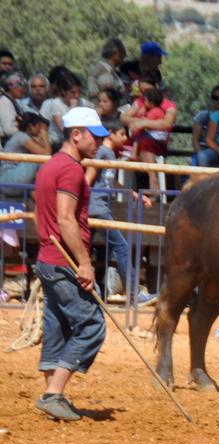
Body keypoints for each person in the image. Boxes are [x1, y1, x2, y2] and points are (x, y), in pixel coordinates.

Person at [31, 107, 110, 421]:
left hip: (48, 257)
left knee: (58, 325)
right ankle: (53, 394)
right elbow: (65, 219)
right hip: (63, 261)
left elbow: (41, 211)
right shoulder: (71, 170)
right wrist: (84, 263)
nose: (99, 143)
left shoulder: (51, 165)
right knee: (92, 325)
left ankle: (53, 394)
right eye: (95, 136)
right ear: (76, 134)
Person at [88, 125, 154, 305]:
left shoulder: (108, 153)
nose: (125, 138)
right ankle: (133, 293)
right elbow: (88, 177)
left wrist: (132, 194)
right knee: (121, 247)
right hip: (97, 208)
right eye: (122, 134)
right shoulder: (102, 152)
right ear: (111, 133)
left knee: (86, 249)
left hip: (98, 208)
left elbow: (110, 181)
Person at [121, 77, 177, 172]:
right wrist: (138, 121)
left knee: (145, 144)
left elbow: (167, 123)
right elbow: (124, 118)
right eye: (142, 91)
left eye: (147, 90)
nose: (144, 93)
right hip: (137, 138)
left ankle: (152, 176)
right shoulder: (140, 102)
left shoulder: (169, 105)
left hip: (156, 141)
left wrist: (144, 123)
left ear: (156, 87)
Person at [0, 111, 52, 195]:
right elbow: (46, 154)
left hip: (13, 179)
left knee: (39, 164)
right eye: (39, 126)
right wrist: (45, 136)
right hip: (8, 179)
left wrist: (42, 140)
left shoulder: (27, 137)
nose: (40, 129)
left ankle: (39, 197)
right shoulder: (22, 136)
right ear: (31, 126)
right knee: (37, 160)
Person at [40, 68, 84, 149]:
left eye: (79, 92)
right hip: (58, 143)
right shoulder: (56, 104)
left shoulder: (82, 102)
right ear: (64, 91)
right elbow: (64, 129)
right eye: (73, 92)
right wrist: (72, 109)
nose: (77, 96)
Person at [191, 86, 219, 164]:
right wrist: (200, 154)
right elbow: (195, 141)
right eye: (216, 98)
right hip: (203, 151)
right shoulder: (202, 116)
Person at [86, 38, 125, 104]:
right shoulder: (101, 69)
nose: (123, 57)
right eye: (122, 54)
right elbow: (95, 95)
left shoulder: (113, 71)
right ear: (116, 54)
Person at [0, 73, 23, 143]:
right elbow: (8, 129)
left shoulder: (15, 102)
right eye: (19, 86)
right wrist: (27, 131)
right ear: (11, 88)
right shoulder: (5, 102)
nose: (22, 89)